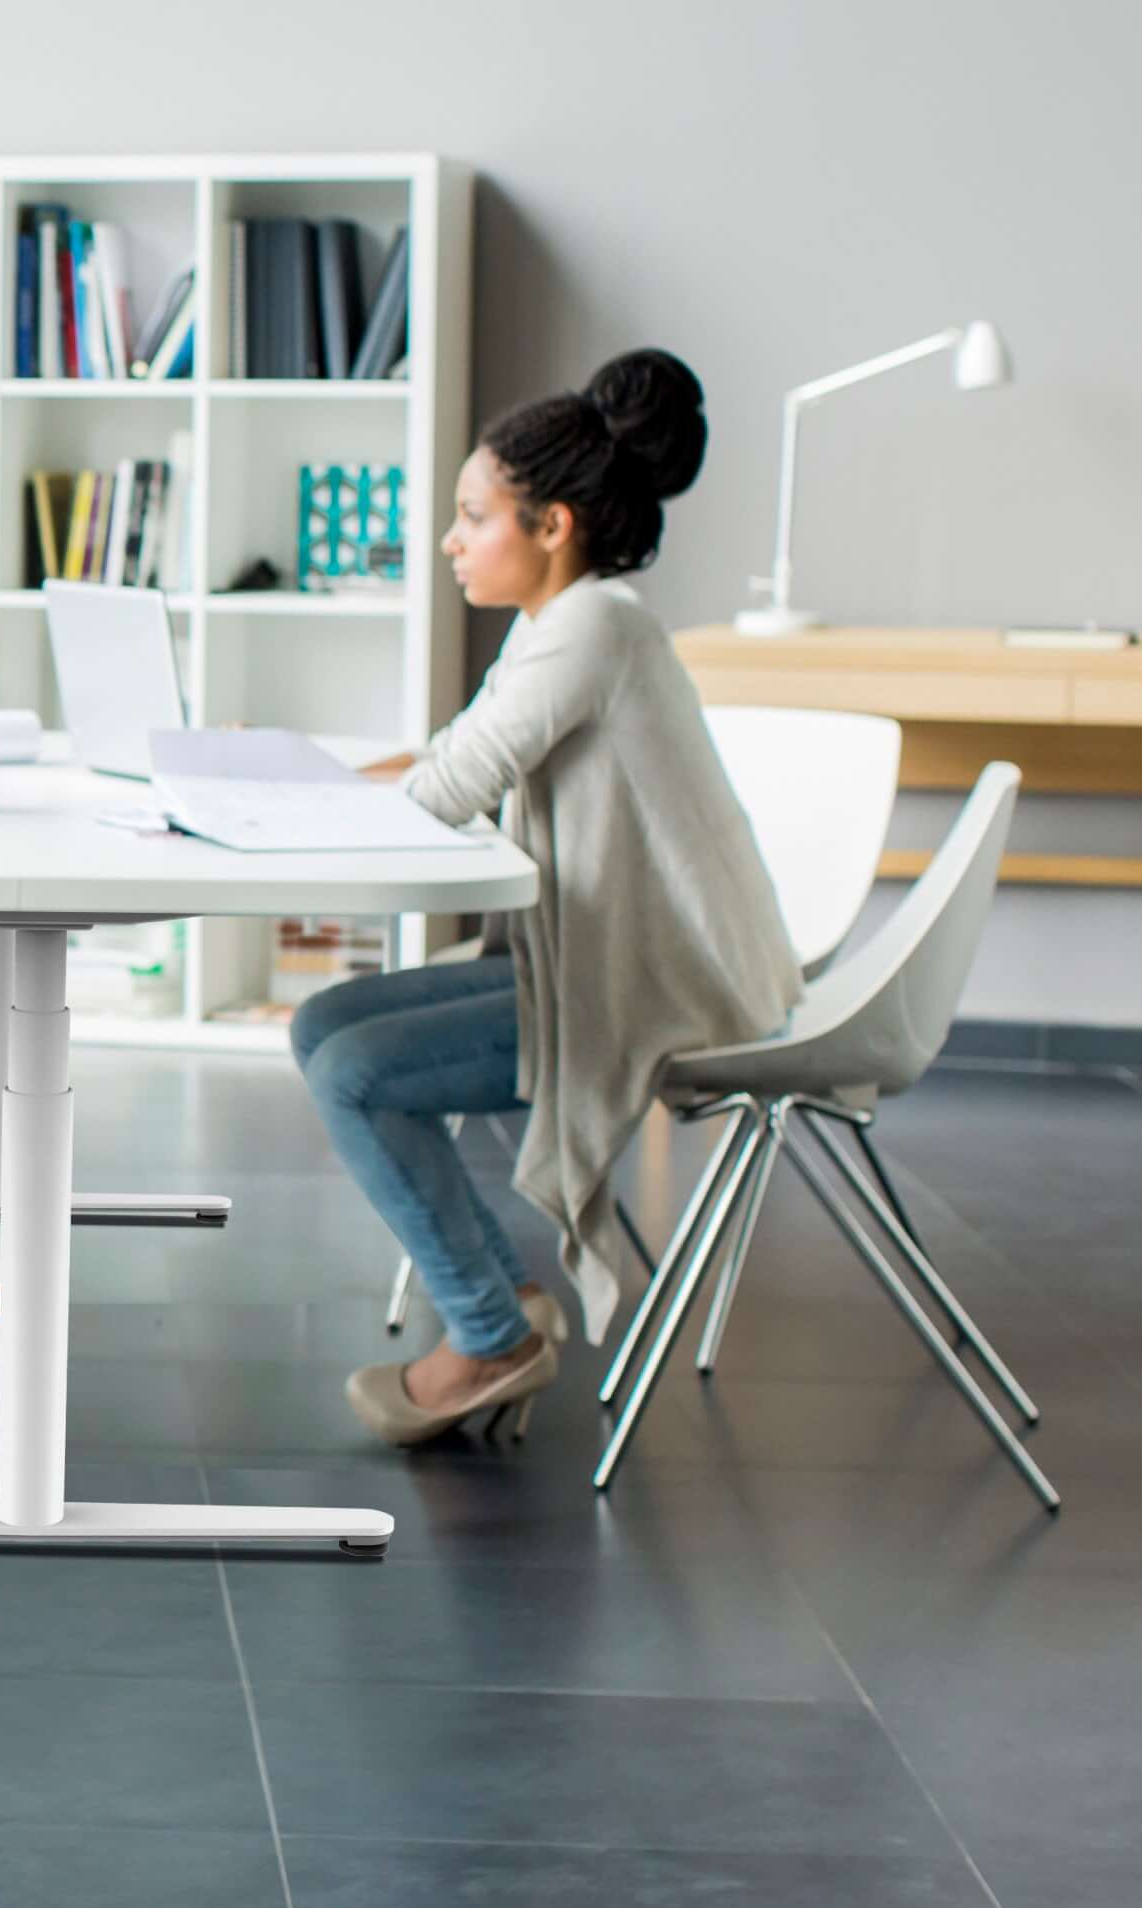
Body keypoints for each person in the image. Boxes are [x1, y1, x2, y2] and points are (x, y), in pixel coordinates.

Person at [292, 348, 801, 1445]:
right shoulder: (564, 624)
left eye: (473, 517)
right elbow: (450, 757)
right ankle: (501, 1300)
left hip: (668, 992)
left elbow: (445, 792)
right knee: (323, 1021)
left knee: (354, 1073)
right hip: (603, 962)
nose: (449, 540)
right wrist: (303, 779)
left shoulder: (594, 629)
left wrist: (293, 803)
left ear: (552, 525)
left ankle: (490, 1336)